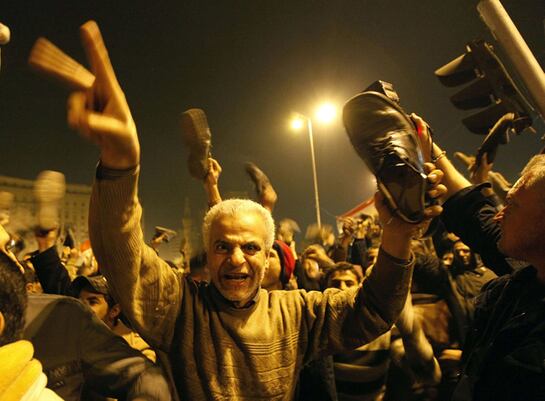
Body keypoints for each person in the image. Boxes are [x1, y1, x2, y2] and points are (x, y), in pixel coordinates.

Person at [42, 21, 446, 400]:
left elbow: (372, 311)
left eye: (250, 248)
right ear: (208, 250)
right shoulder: (179, 309)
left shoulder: (297, 313)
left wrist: (397, 235)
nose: (236, 258)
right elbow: (121, 252)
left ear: (270, 256)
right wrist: (120, 162)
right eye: (222, 247)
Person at [413, 114, 545, 400]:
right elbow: (474, 214)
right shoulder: (526, 275)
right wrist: (429, 148)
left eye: (512, 205)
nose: (498, 215)